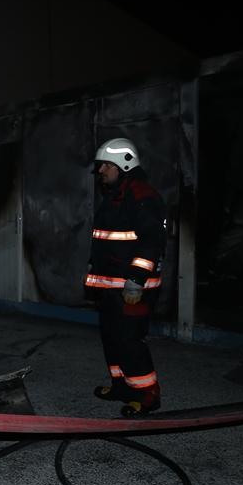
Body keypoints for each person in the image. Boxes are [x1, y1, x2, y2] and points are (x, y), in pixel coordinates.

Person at [85, 138, 167, 416]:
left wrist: (136, 280)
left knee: (130, 340)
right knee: (112, 338)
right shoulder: (116, 195)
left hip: (132, 287)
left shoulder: (142, 195)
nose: (101, 170)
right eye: (101, 165)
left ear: (126, 165)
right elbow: (107, 241)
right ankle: (122, 387)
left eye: (107, 165)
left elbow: (152, 242)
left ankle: (147, 395)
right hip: (111, 286)